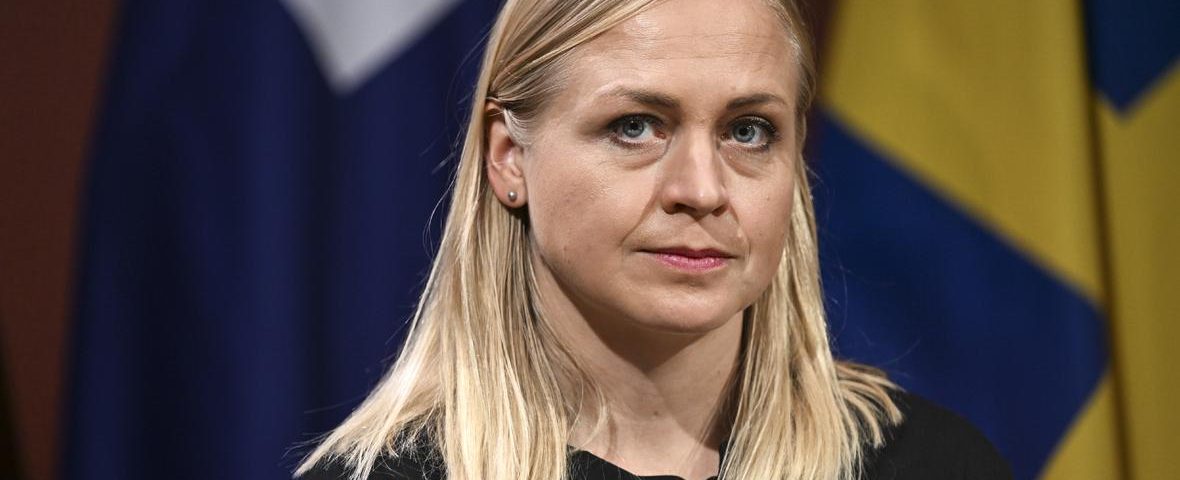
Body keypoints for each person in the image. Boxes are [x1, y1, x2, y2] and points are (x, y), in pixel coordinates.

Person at [297, 0, 1011, 479]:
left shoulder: (933, 466)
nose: (701, 189)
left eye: (748, 131)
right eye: (635, 126)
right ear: (508, 158)